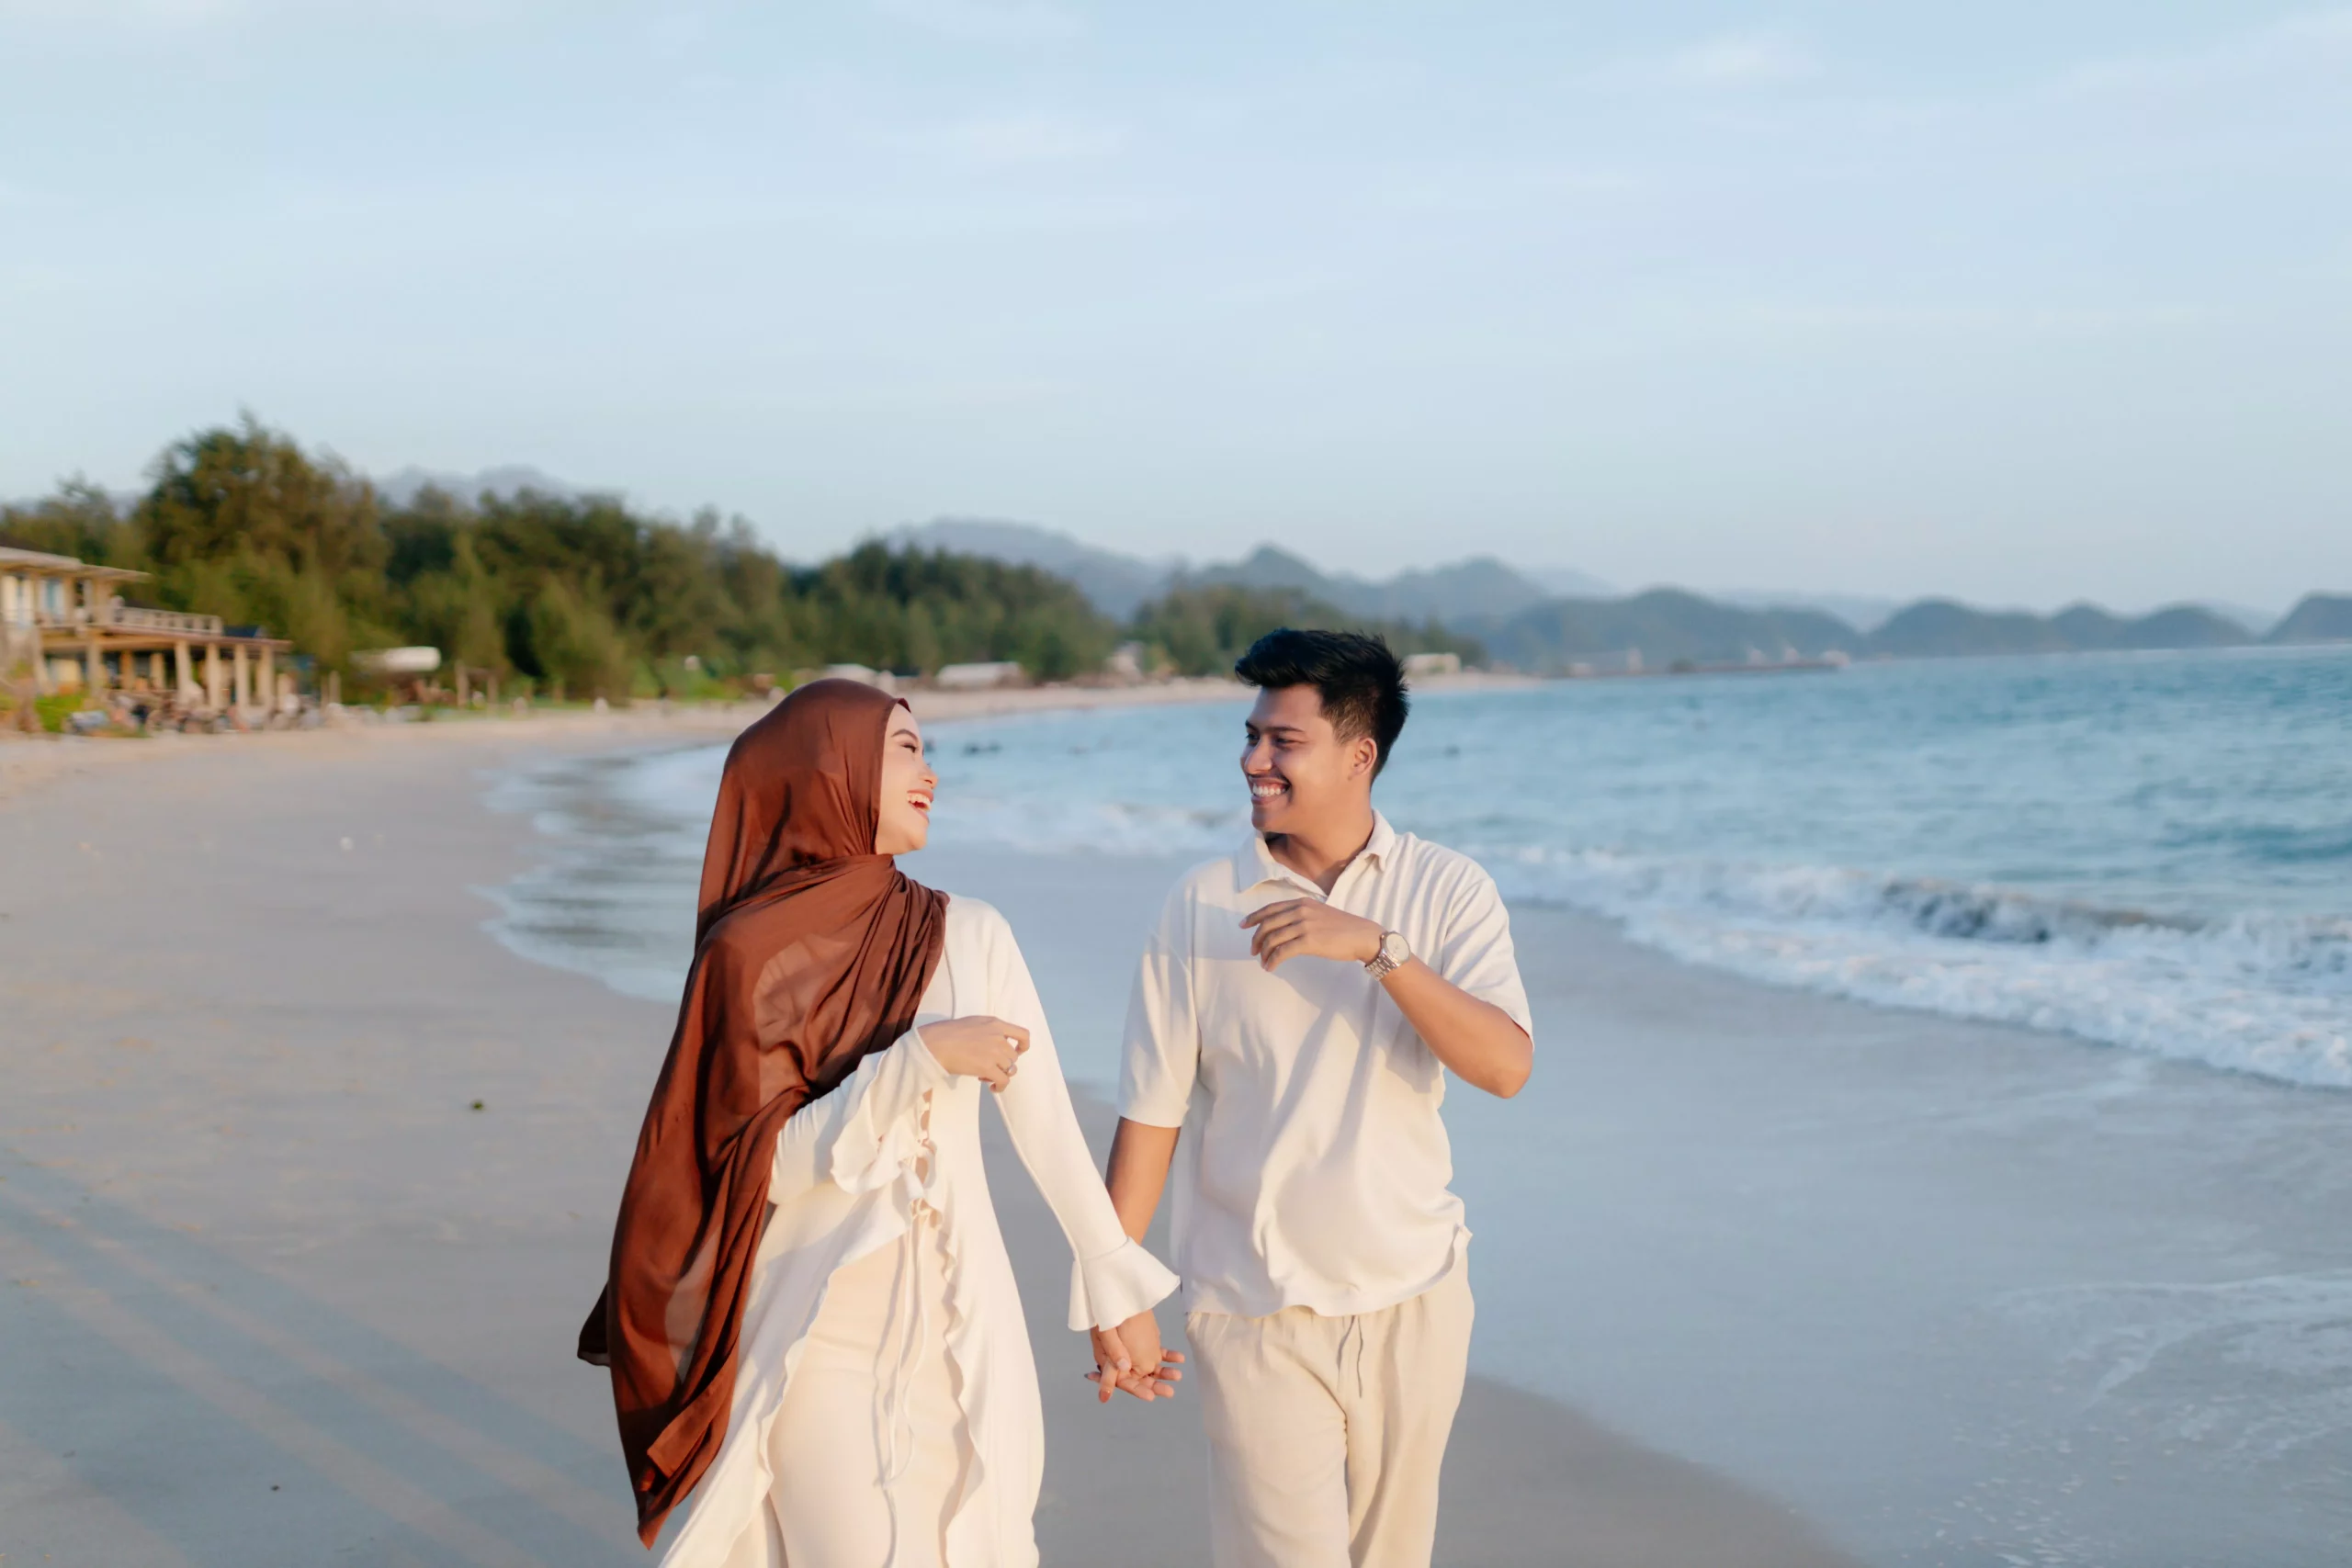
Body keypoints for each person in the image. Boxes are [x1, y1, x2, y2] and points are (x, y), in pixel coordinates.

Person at [581, 678, 1181, 1568]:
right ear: (834, 767)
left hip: (967, 1322)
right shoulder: (747, 955)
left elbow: (1047, 1126)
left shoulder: (972, 932)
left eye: (925, 751)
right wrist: (918, 1060)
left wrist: (1113, 1288)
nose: (929, 773)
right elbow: (760, 1167)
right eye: (903, 749)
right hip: (820, 1336)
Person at [1091, 629, 1534, 1568]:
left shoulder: (1447, 888)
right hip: (1254, 1308)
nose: (1253, 760)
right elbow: (1151, 1114)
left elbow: (1504, 1067)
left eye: (1282, 741)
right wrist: (1111, 1281)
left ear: (1359, 754)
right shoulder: (1201, 903)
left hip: (1416, 1298)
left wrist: (1376, 947)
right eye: (1251, 736)